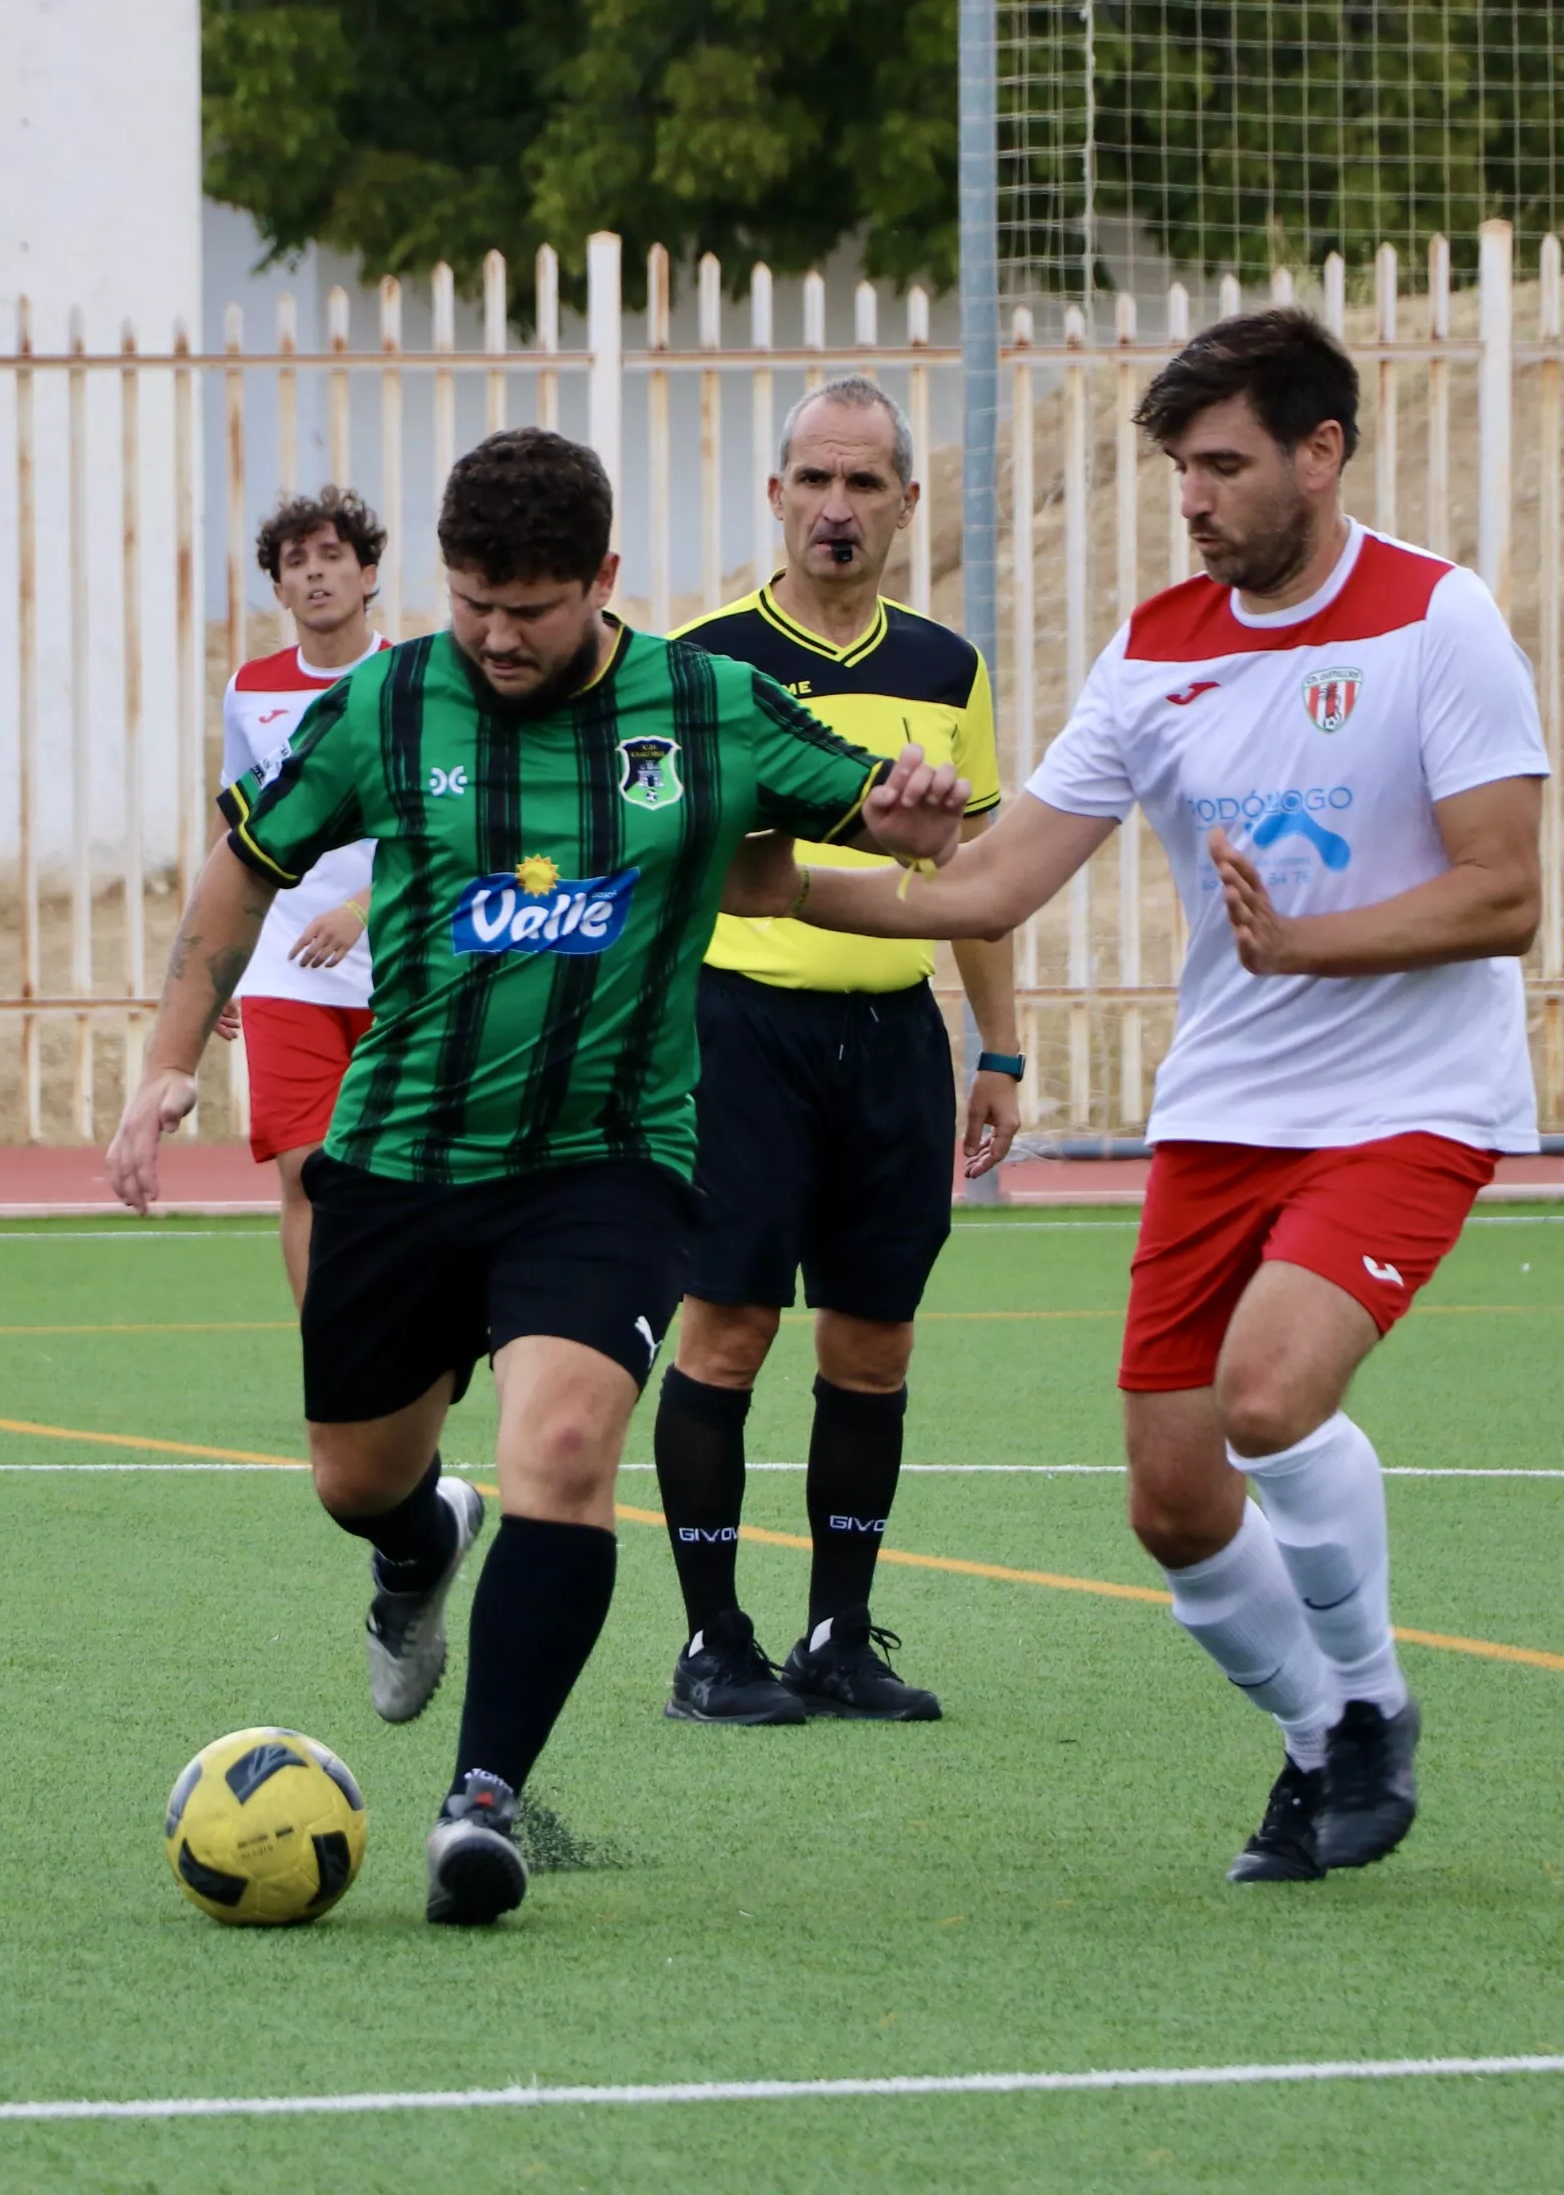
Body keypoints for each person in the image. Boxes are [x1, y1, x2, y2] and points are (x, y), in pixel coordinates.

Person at [725, 309, 1544, 1881]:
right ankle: (1316, 1744)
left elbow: (1505, 897)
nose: (1195, 497)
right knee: (1173, 1505)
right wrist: (782, 883)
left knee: (1265, 1395)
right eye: (1181, 467)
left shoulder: (1442, 622)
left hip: (1408, 1098)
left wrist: (1306, 942)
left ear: (1324, 454)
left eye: (1225, 463)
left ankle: (1370, 1702)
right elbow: (990, 884)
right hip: (1226, 1109)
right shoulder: (1155, 648)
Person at [107, 428, 965, 1925]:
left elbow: (864, 809)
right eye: (472, 602)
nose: (497, 637)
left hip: (609, 1160)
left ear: (607, 580)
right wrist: (169, 1056)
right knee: (354, 1475)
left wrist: (903, 807)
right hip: (403, 1155)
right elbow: (245, 862)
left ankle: (483, 1797)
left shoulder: (705, 704)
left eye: (534, 606)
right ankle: (419, 1535)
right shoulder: (388, 699)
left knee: (562, 1449)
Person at [654, 375, 1024, 1727]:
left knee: (873, 1345)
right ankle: (713, 1641)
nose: (836, 507)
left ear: (907, 504)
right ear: (776, 494)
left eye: (865, 483)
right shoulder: (700, 665)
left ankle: (840, 1632)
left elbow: (972, 873)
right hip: (737, 1030)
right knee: (732, 1325)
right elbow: (673, 863)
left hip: (892, 1042)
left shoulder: (946, 670)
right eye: (813, 479)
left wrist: (1005, 1047)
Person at [215, 488, 392, 1302]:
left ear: (368, 573)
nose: (316, 575)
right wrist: (220, 963)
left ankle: (418, 1347)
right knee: (306, 1168)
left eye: (331, 557)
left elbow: (443, 831)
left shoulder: (413, 679)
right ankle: (333, 1354)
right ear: (279, 590)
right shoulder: (249, 690)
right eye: (296, 563)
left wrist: (360, 908)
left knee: (401, 1175)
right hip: (287, 968)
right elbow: (238, 837)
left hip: (399, 963)